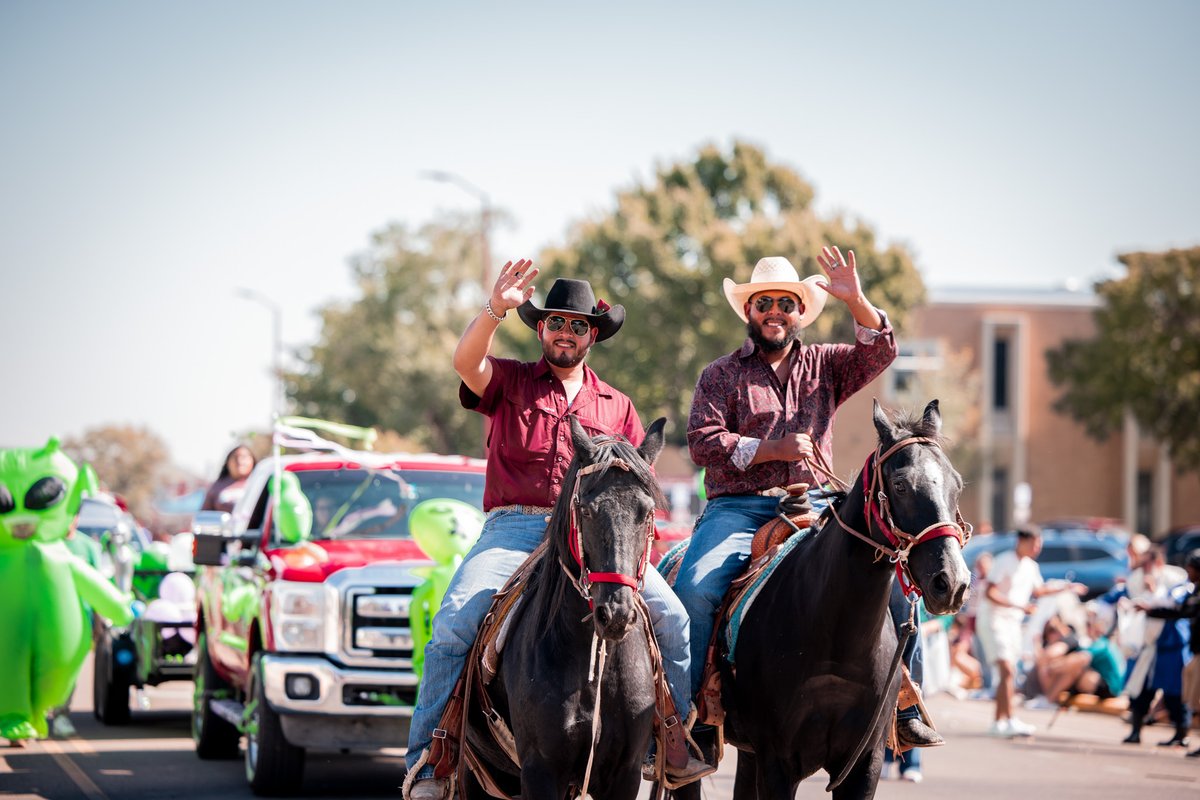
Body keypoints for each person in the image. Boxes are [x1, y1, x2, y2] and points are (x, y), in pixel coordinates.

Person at [404, 261, 708, 800]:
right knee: (453, 622)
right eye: (556, 323)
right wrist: (495, 309)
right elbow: (464, 361)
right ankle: (434, 757)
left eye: (578, 325)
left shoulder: (618, 406)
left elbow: (635, 492)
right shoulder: (510, 381)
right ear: (541, 330)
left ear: (593, 335)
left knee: (674, 616)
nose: (566, 333)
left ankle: (669, 740)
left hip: (595, 534)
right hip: (516, 527)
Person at [678, 249, 942, 748]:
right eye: (763, 303)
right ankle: (689, 721)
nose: (774, 311)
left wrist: (857, 299)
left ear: (799, 312)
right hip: (737, 508)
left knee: (900, 589)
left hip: (821, 505)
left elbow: (880, 351)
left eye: (785, 302)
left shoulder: (827, 364)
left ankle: (905, 706)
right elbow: (701, 442)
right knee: (694, 591)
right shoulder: (721, 373)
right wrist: (771, 449)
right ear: (749, 312)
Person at [984, 524, 1087, 737]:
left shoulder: (1030, 566)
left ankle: (999, 721)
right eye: (1033, 543)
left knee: (1009, 672)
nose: (1036, 548)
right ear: (1021, 542)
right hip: (995, 620)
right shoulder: (1004, 560)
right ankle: (1009, 719)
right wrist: (1017, 605)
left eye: (1039, 544)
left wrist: (1066, 587)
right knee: (1007, 670)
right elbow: (990, 592)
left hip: (1013, 623)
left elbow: (1039, 590)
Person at [1125, 546, 1194, 748]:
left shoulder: (1176, 578)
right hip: (1150, 646)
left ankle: (1181, 734)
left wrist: (1153, 595)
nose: (1145, 568)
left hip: (1172, 644)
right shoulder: (1137, 579)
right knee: (1141, 690)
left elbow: (1175, 603)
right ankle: (1136, 730)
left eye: (1148, 563)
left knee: (1175, 692)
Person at [1141, 549, 1200, 757]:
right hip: (1195, 652)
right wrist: (1150, 611)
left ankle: (1183, 734)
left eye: (1191, 568)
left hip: (1183, 649)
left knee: (1188, 693)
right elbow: (1180, 612)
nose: (1188, 572)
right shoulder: (1194, 593)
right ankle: (1181, 734)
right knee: (1191, 695)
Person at [200, 445, 256, 513]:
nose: (239, 461)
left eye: (244, 457)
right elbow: (204, 515)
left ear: (252, 460)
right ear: (228, 462)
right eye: (235, 457)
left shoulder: (260, 484)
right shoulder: (216, 487)